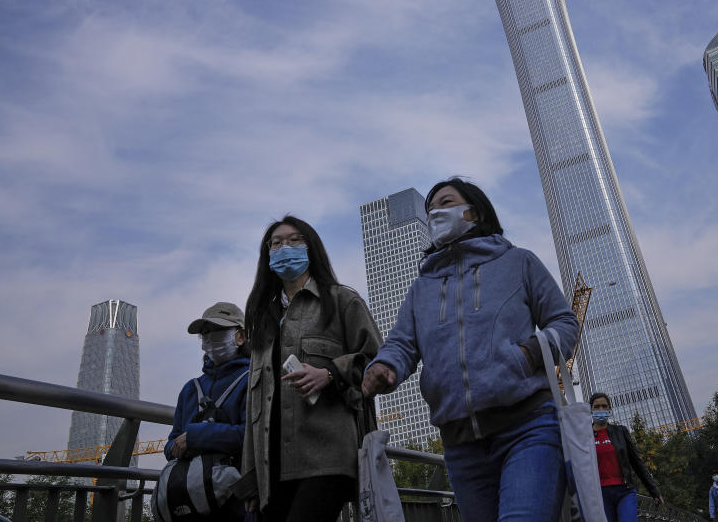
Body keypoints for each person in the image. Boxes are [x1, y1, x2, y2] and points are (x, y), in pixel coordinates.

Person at [362, 177, 580, 522]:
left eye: (446, 203)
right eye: (430, 209)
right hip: (460, 446)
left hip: (528, 428)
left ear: (474, 212)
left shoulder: (519, 262)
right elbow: (402, 343)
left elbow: (565, 323)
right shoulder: (422, 287)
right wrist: (385, 366)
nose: (436, 212)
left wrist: (528, 355)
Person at [239, 216, 383, 522]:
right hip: (271, 468)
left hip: (327, 457)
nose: (284, 248)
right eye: (276, 243)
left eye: (294, 240)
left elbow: (378, 360)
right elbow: (255, 405)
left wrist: (330, 373)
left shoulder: (342, 300)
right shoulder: (263, 318)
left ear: (311, 248)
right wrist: (250, 475)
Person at [164, 302, 251, 521]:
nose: (210, 339)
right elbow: (172, 442)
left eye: (218, 331)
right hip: (193, 498)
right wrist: (176, 447)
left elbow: (251, 435)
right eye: (205, 334)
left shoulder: (253, 379)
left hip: (236, 499)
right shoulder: (190, 389)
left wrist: (196, 437)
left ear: (240, 336)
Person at [589, 393, 664, 521]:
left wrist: (654, 491)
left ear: (609, 409)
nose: (601, 409)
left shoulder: (621, 431)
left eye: (604, 406)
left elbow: (637, 463)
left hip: (625, 491)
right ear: (590, 409)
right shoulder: (584, 434)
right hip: (599, 495)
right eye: (597, 407)